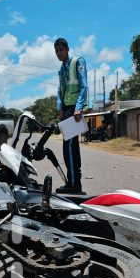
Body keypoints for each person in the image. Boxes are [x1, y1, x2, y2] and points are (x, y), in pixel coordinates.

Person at [54, 37, 88, 194]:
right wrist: (60, 107)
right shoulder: (61, 70)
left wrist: (78, 108)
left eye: (61, 50)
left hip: (74, 109)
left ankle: (74, 184)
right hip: (66, 109)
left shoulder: (77, 62)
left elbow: (83, 86)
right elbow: (60, 90)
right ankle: (73, 182)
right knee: (68, 148)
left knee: (70, 147)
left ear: (67, 49)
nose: (59, 53)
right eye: (57, 51)